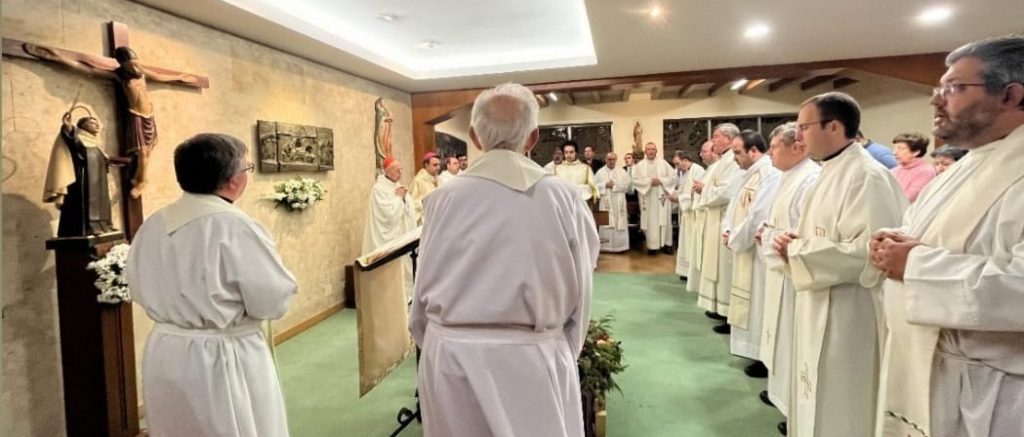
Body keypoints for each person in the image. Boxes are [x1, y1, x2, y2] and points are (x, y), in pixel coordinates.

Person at [410, 83, 599, 437]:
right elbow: (582, 279)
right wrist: (561, 344)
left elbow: (423, 283)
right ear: (533, 138)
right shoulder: (563, 197)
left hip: (452, 357)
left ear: (474, 137)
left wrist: (438, 338)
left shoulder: (442, 199)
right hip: (533, 357)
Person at [869, 35, 1024, 437]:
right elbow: (927, 233)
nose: (936, 100)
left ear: (1011, 94)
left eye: (953, 88)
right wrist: (894, 240)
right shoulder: (970, 162)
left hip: (995, 392)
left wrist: (913, 264)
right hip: (931, 366)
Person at [127, 133, 297, 437]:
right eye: (247, 168)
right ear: (232, 180)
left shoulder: (153, 224)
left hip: (165, 351)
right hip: (222, 354)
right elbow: (273, 299)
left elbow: (137, 286)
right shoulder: (235, 226)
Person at [773, 92, 906, 437]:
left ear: (833, 126)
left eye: (804, 126)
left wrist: (798, 251)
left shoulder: (867, 176)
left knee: (842, 402)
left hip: (850, 314)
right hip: (819, 300)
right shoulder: (829, 170)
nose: (798, 135)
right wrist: (795, 241)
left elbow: (871, 254)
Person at [757, 122, 820, 435]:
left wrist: (775, 239)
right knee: (779, 334)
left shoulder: (810, 179)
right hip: (779, 268)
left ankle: (790, 401)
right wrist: (766, 232)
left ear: (798, 147)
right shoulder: (788, 176)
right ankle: (781, 394)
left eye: (775, 146)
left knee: (790, 337)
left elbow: (801, 232)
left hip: (795, 273)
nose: (771, 153)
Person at [723, 130, 781, 376]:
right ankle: (754, 350)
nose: (735, 158)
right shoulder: (749, 175)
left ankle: (762, 355)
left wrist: (735, 237)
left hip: (757, 252)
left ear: (754, 151)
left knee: (759, 303)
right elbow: (734, 206)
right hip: (745, 245)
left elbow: (757, 214)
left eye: (738, 152)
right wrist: (727, 229)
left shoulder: (769, 174)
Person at [694, 124, 742, 323]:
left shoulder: (733, 160)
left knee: (724, 267)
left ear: (729, 139)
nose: (713, 141)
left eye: (716, 137)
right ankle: (718, 306)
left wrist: (703, 189)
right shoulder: (724, 159)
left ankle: (727, 313)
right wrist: (706, 188)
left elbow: (728, 191)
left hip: (724, 218)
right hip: (715, 217)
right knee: (717, 267)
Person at [43, 110, 116, 237]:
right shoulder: (79, 138)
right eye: (92, 123)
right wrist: (68, 126)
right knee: (88, 202)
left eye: (97, 123)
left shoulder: (95, 144)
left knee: (102, 201)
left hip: (99, 180)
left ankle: (104, 225)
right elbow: (72, 140)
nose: (97, 125)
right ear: (82, 126)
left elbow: (105, 160)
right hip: (84, 179)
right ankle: (90, 226)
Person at [363, 156, 416, 297]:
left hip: (402, 235)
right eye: (397, 170)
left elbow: (409, 210)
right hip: (386, 237)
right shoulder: (378, 189)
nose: (400, 173)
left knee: (404, 267)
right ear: (388, 171)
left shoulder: (397, 186)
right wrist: (399, 198)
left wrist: (404, 199)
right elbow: (387, 215)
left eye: (401, 170)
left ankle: (406, 295)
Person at [633, 142, 677, 255]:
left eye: (653, 149)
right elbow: (634, 180)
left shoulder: (663, 163)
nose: (651, 151)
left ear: (656, 151)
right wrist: (648, 182)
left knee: (665, 220)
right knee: (650, 222)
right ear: (645, 151)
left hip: (662, 197)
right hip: (647, 197)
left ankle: (666, 244)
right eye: (648, 149)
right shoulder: (639, 166)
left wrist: (661, 181)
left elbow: (673, 177)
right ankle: (652, 247)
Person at [687, 141, 718, 294]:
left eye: (704, 151)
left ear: (715, 151)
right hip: (703, 218)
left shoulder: (718, 168)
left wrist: (702, 189)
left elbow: (724, 192)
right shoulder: (709, 169)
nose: (701, 154)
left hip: (712, 220)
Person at [671, 152, 704, 279]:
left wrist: (679, 198)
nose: (677, 167)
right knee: (685, 242)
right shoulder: (686, 173)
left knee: (691, 242)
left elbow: (696, 194)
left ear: (685, 160)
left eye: (678, 164)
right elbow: (683, 190)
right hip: (686, 214)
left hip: (693, 214)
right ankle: (685, 271)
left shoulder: (698, 171)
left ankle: (692, 272)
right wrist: (675, 194)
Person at [594, 152, 630, 252]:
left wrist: (614, 185)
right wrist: (605, 185)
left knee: (620, 221)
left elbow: (627, 185)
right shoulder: (600, 172)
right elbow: (594, 186)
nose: (611, 161)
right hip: (605, 202)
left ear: (616, 160)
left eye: (613, 159)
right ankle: (606, 246)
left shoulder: (622, 171)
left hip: (619, 201)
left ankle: (621, 246)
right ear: (605, 160)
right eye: (609, 159)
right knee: (606, 222)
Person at [891, 132, 936, 202]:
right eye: (895, 148)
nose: (894, 152)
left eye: (901, 149)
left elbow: (909, 198)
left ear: (916, 152)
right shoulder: (894, 170)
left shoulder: (926, 172)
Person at [409, 152, 441, 223]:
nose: (438, 168)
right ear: (427, 165)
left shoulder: (439, 179)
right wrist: (424, 202)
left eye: (439, 165)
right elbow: (411, 203)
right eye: (435, 165)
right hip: (426, 219)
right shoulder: (418, 180)